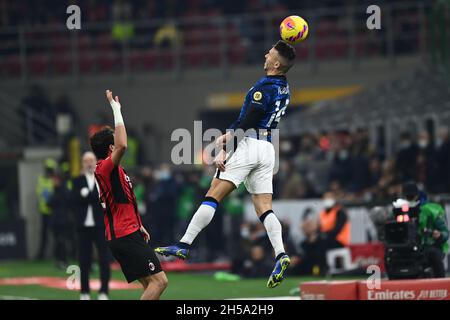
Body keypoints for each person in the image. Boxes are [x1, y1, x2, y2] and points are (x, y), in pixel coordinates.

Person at [156, 40, 296, 288]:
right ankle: (281, 254)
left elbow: (250, 118)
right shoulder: (285, 87)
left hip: (249, 145)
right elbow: (253, 118)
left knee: (214, 193)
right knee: (264, 207)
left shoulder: (263, 86)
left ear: (276, 63)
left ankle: (184, 245)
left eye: (270, 53)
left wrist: (226, 149)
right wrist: (229, 132)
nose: (265, 54)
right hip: (267, 148)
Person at [90, 90, 168, 300]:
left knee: (151, 285)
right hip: (124, 235)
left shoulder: (113, 171)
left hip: (127, 231)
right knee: (160, 282)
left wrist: (138, 223)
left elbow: (122, 202)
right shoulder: (105, 168)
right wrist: (116, 109)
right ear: (110, 147)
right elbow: (123, 144)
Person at [72, 151, 110, 300]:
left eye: (91, 160)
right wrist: (91, 196)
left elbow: (101, 198)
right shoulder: (77, 180)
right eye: (86, 161)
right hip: (83, 226)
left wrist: (86, 195)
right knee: (84, 260)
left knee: (104, 259)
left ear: (96, 162)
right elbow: (74, 199)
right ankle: (84, 292)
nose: (89, 163)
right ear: (82, 163)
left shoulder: (102, 179)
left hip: (100, 225)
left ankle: (104, 291)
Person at [401, 182, 449, 278]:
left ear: (417, 195)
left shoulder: (431, 210)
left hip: (429, 246)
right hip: (409, 247)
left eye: (411, 196)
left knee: (433, 253)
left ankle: (441, 283)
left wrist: (439, 235)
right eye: (407, 197)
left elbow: (445, 232)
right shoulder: (400, 210)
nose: (409, 199)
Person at [36, 158, 57, 260]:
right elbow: (39, 194)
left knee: (56, 235)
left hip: (54, 211)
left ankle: (57, 254)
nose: (49, 171)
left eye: (50, 169)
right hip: (45, 211)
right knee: (44, 235)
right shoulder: (42, 179)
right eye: (48, 169)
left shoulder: (55, 180)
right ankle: (42, 254)